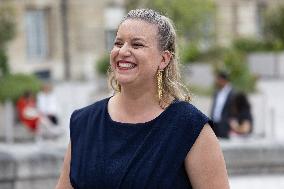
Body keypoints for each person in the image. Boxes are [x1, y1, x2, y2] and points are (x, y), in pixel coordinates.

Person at [56, 9, 229, 189]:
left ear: (164, 59)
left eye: (136, 45)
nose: (123, 51)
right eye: (118, 43)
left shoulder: (190, 127)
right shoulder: (84, 122)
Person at [210, 71, 235, 139]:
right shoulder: (217, 92)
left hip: (225, 126)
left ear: (223, 80)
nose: (217, 81)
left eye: (218, 79)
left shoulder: (232, 93)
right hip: (215, 124)